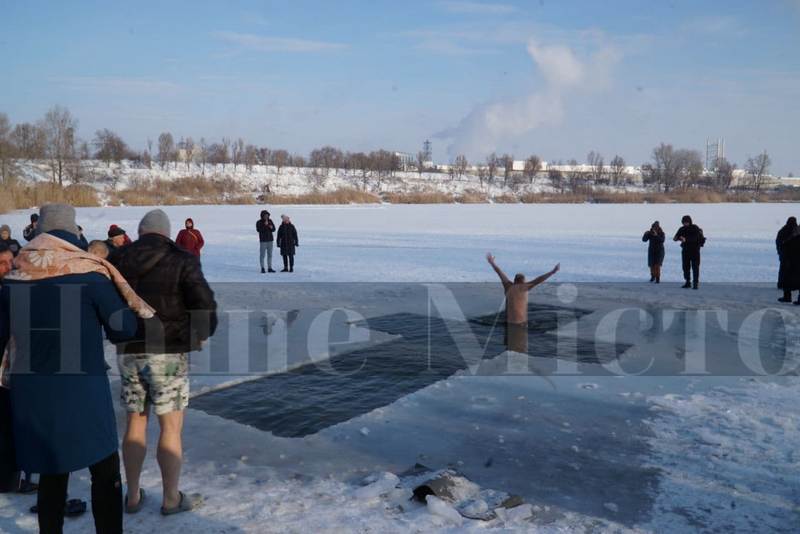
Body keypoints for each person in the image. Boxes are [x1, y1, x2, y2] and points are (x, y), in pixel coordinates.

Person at [0, 203, 153, 534]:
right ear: (72, 232)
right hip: (81, 392)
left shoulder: (14, 276)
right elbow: (123, 329)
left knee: (52, 475)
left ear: (40, 232)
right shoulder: (89, 273)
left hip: (33, 394)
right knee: (104, 471)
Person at [110, 209, 217, 516]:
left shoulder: (119, 258)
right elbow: (204, 303)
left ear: (141, 232)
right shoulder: (182, 258)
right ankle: (171, 497)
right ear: (167, 233)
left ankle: (131, 495)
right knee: (170, 425)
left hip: (129, 350)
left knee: (135, 420)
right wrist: (200, 333)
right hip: (168, 352)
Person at [486, 253, 560, 353]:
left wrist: (492, 263)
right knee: (520, 348)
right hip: (520, 325)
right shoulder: (524, 287)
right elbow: (539, 279)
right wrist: (552, 272)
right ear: (523, 281)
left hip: (509, 323)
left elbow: (499, 272)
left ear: (515, 281)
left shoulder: (508, 286)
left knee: (508, 346)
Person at [673, 215, 706, 290]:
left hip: (695, 250)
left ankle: (695, 283)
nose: (685, 224)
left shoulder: (695, 228)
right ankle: (688, 282)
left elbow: (696, 238)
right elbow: (676, 237)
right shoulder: (682, 229)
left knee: (695, 267)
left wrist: (686, 239)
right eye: (684, 222)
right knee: (685, 267)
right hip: (685, 250)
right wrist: (676, 238)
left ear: (690, 221)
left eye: (686, 222)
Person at [777, 217, 798, 303]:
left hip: (788, 258)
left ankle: (787, 297)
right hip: (793, 258)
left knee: (786, 277)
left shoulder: (784, 231)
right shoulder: (797, 230)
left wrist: (782, 255)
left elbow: (780, 243)